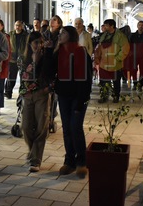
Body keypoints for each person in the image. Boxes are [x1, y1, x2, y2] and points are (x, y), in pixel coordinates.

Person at [53, 26, 93, 178]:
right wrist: (49, 50)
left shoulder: (81, 52)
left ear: (70, 35)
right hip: (63, 96)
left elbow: (87, 78)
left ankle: (81, 162)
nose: (60, 35)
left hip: (78, 96)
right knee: (67, 129)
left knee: (75, 127)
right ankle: (69, 161)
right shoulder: (58, 52)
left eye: (63, 33)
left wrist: (82, 100)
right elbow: (50, 70)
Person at [18, 31, 55, 172]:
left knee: (41, 127)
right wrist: (34, 62)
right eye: (36, 43)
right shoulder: (23, 58)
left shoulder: (47, 56)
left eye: (41, 42)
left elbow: (52, 75)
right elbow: (25, 77)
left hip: (42, 95)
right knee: (26, 127)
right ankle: (32, 152)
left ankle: (36, 160)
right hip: (27, 95)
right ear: (30, 44)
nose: (39, 45)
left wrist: (48, 89)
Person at [94, 19, 130, 103]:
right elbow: (99, 47)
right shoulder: (103, 35)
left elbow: (125, 48)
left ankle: (116, 96)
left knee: (116, 82)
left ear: (112, 26)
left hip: (115, 64)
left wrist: (118, 58)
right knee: (103, 81)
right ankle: (104, 96)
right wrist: (97, 58)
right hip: (103, 64)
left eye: (106, 25)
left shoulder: (120, 36)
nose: (104, 27)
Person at [6, 20, 28, 99]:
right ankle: (8, 92)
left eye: (19, 25)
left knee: (23, 77)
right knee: (11, 77)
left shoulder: (26, 35)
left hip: (22, 59)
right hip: (12, 59)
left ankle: (22, 93)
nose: (17, 27)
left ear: (22, 26)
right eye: (16, 25)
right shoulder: (10, 34)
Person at [129, 20, 143, 91]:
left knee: (142, 71)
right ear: (137, 26)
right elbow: (130, 45)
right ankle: (135, 84)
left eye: (142, 25)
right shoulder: (133, 36)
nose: (140, 26)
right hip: (134, 56)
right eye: (139, 25)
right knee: (134, 70)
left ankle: (140, 85)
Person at [0, 19, 11, 116]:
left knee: (0, 88)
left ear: (2, 26)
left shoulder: (5, 37)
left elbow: (8, 53)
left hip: (2, 66)